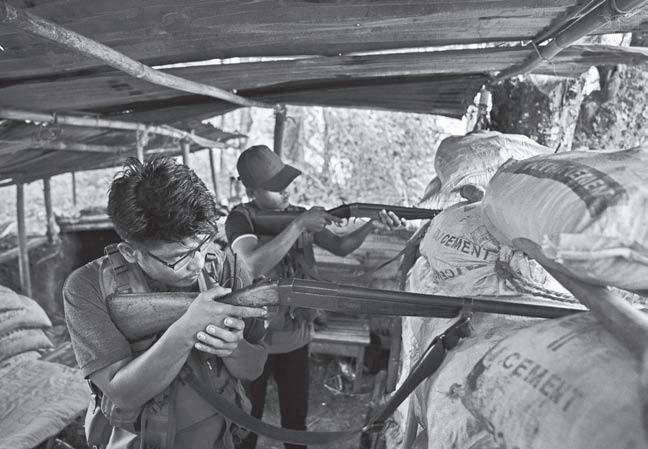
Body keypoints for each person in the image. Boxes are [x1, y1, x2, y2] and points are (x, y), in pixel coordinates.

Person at [63, 156, 268, 449]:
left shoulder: (226, 267)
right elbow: (124, 394)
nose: (198, 263)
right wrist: (187, 329)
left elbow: (254, 368)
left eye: (203, 244)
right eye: (178, 258)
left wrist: (234, 347)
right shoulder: (87, 287)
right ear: (130, 252)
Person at [226, 145, 404, 449]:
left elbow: (341, 247)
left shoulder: (300, 215)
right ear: (250, 190)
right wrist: (298, 226)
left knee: (295, 423)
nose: (285, 191)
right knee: (246, 424)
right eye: (274, 187)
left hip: (296, 338)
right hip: (253, 341)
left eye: (285, 183)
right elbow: (252, 265)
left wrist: (371, 223)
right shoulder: (240, 219)